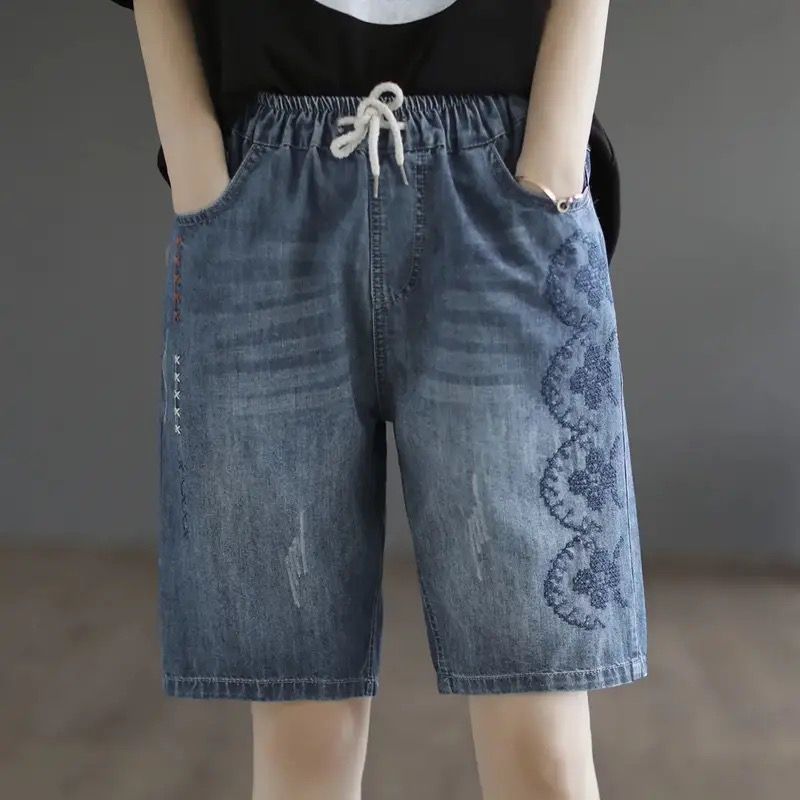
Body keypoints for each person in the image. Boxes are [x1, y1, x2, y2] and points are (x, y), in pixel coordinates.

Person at [108, 2, 647, 798]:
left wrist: (554, 157)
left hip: (504, 185)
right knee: (302, 736)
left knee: (543, 742)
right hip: (265, 193)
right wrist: (195, 165)